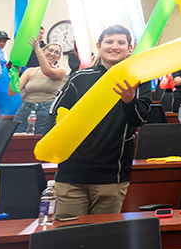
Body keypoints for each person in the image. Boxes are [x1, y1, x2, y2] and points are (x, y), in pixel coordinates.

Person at [50, 25, 150, 218]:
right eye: (109, 42)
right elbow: (56, 115)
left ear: (130, 48)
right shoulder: (80, 77)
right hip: (71, 173)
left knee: (102, 239)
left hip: (112, 175)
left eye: (121, 42)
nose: (115, 46)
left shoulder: (139, 79)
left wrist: (129, 100)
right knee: (67, 236)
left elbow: (140, 120)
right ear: (99, 45)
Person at [12, 40, 68, 134]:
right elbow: (12, 92)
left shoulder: (60, 71)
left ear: (58, 57)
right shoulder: (30, 71)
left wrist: (38, 51)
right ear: (44, 51)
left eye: (56, 52)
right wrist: (15, 73)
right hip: (25, 109)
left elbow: (47, 72)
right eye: (50, 50)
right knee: (15, 139)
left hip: (45, 110)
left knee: (40, 139)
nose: (52, 54)